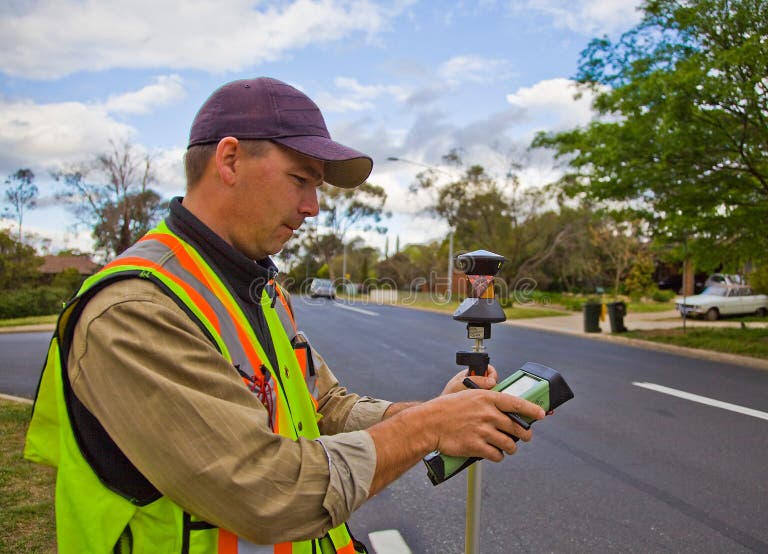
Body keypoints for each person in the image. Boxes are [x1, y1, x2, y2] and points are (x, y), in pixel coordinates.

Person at [25, 77, 545, 553]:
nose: (314, 206)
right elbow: (269, 495)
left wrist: (427, 411)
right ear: (229, 160)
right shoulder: (136, 310)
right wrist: (427, 429)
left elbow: (321, 405)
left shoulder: (257, 287)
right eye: (301, 179)